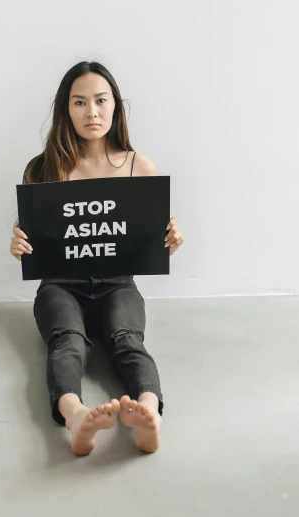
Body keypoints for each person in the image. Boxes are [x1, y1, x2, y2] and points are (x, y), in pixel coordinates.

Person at [10, 61, 184, 456]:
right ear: (65, 110)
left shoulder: (140, 166)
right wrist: (19, 244)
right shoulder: (43, 169)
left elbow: (149, 239)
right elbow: (34, 238)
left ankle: (149, 413)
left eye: (101, 101)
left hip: (118, 283)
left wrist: (169, 239)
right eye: (80, 102)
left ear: (115, 107)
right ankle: (74, 417)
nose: (92, 112)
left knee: (127, 340)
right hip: (59, 284)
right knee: (67, 341)